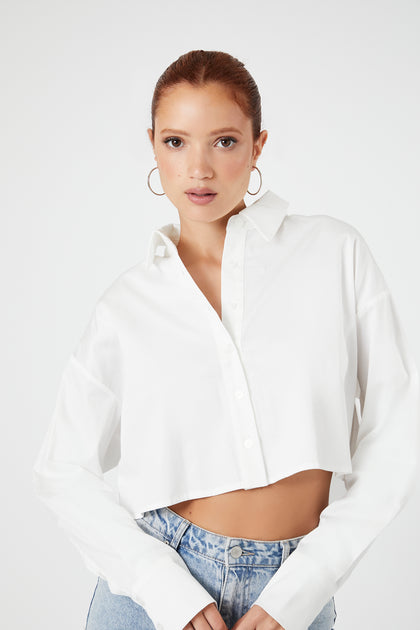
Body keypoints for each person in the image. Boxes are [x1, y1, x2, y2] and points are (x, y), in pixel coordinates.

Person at [33, 49, 419, 630]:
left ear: (258, 146)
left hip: (295, 589)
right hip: (161, 592)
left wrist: (304, 587)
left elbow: (396, 431)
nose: (199, 169)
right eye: (176, 142)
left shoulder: (335, 254)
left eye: (224, 141)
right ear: (153, 146)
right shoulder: (125, 306)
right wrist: (161, 587)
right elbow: (62, 469)